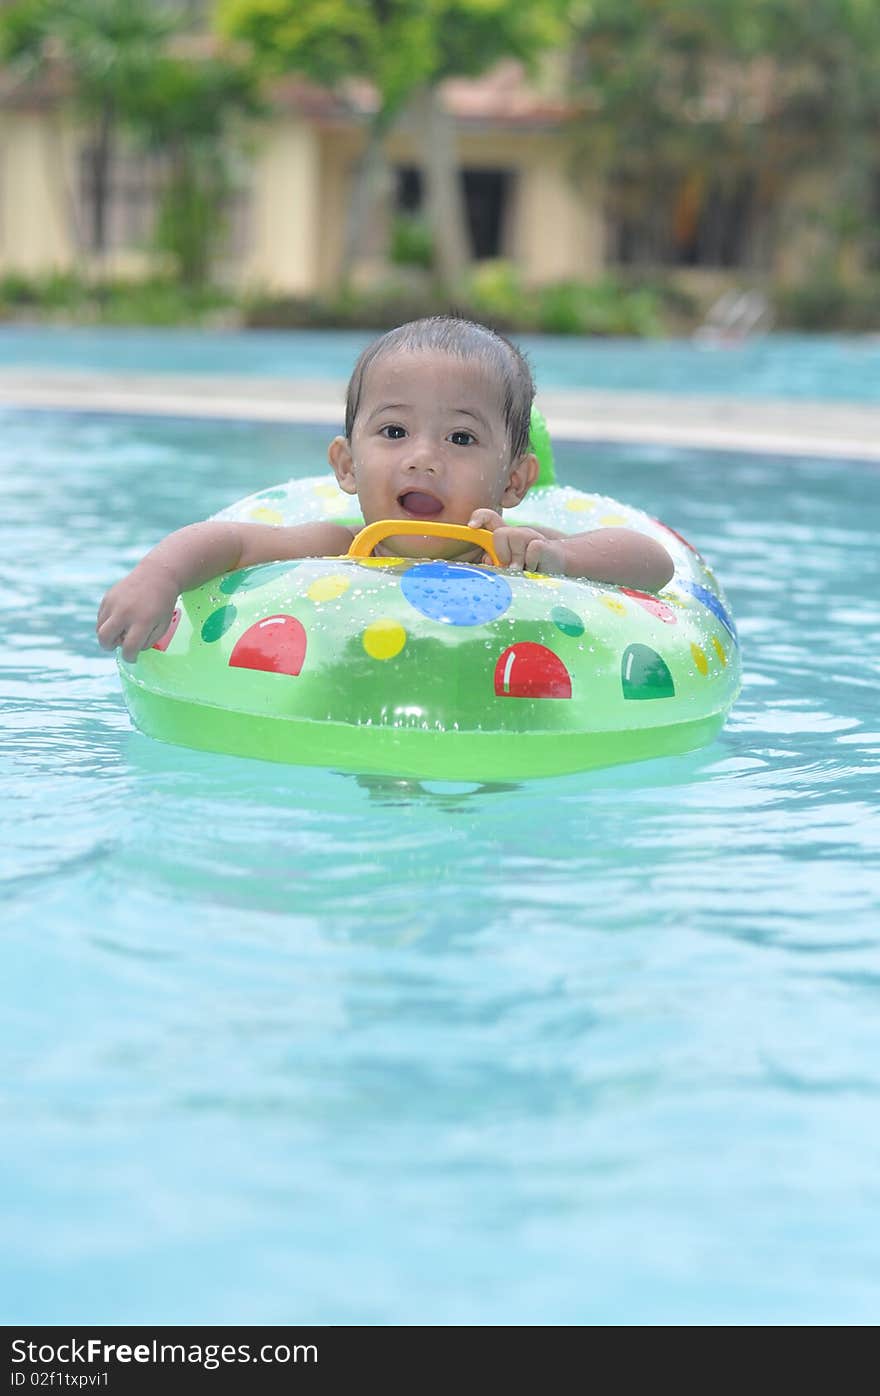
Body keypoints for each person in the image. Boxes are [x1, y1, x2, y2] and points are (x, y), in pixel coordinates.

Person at [97, 316, 674, 662]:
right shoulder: (338, 546)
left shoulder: (512, 550)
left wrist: (564, 557)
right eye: (395, 431)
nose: (423, 459)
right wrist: (160, 575)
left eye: (461, 438)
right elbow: (231, 543)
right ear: (347, 466)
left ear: (515, 481)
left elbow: (652, 563)